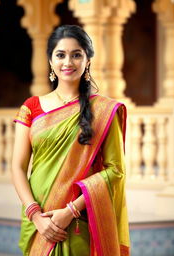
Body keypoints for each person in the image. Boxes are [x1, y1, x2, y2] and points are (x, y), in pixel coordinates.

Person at [12, 24, 130, 256]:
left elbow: (115, 170)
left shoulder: (104, 110)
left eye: (77, 55)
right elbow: (17, 167)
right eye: (60, 55)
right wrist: (35, 215)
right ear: (50, 60)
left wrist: (70, 211)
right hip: (37, 220)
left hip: (78, 224)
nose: (68, 62)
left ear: (87, 60)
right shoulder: (31, 107)